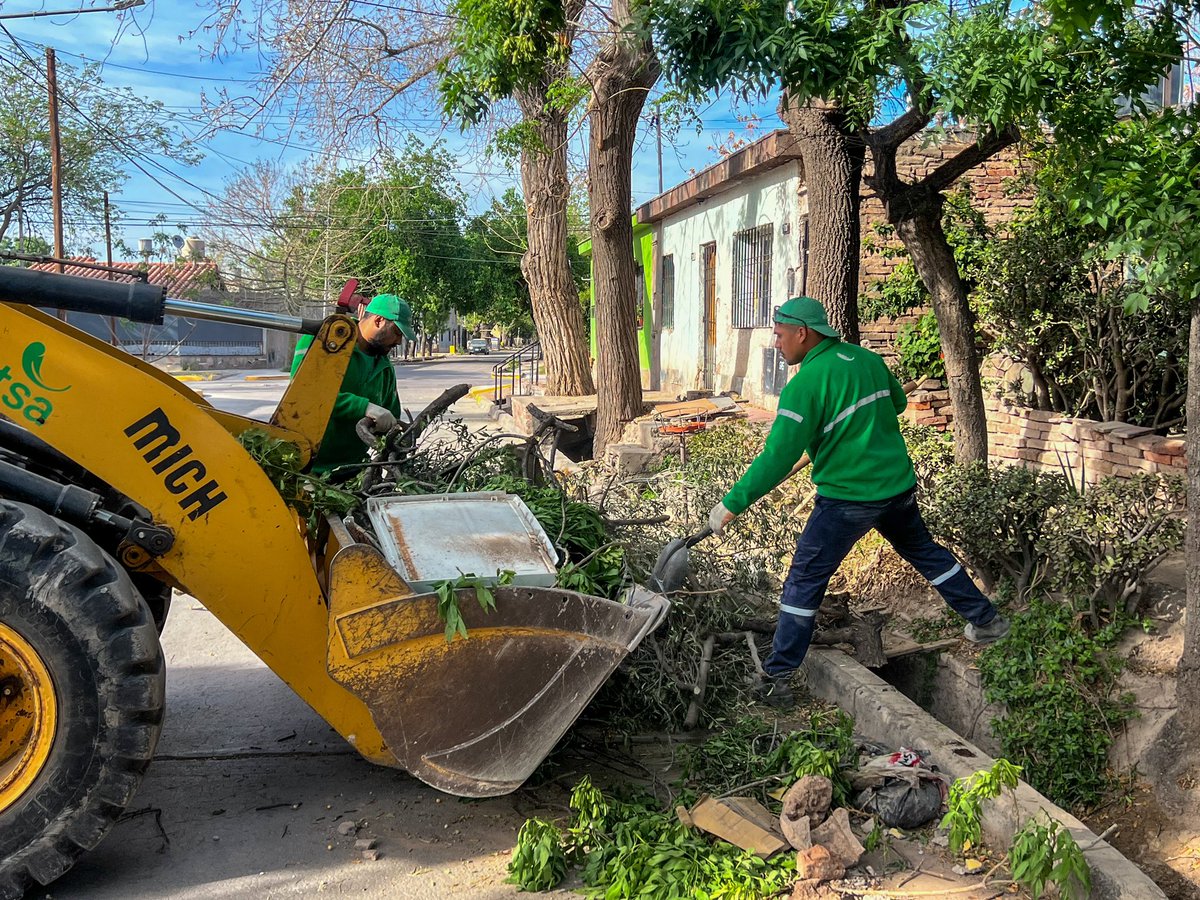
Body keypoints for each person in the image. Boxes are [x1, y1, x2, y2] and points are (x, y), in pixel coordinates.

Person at [707, 296, 1009, 709]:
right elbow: (896, 405)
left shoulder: (804, 386)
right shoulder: (865, 360)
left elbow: (776, 458)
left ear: (802, 333)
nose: (776, 344)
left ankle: (776, 677)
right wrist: (840, 432)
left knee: (803, 581)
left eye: (779, 335)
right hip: (896, 489)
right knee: (926, 553)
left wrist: (731, 504)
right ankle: (986, 620)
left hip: (848, 499)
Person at [290, 293, 416, 475]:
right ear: (379, 321)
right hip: (307, 468)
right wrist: (364, 407)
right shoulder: (323, 341)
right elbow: (305, 393)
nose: (398, 341)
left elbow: (390, 416)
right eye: (397, 332)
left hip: (354, 471)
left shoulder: (385, 368)